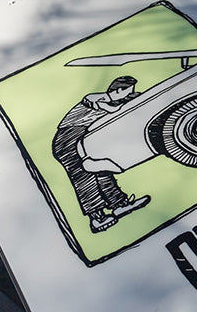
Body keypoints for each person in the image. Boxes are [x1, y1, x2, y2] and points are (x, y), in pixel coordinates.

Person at [52, 76, 151, 232]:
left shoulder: (114, 102)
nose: (126, 96)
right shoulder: (98, 98)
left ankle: (118, 204)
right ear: (118, 90)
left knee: (101, 168)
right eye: (126, 92)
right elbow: (105, 106)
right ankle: (96, 216)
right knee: (84, 176)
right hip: (67, 139)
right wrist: (127, 103)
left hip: (84, 138)